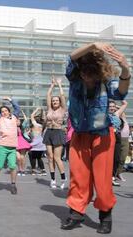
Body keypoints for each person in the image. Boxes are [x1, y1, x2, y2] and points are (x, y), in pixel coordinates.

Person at [61, 42, 130, 234]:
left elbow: (121, 91)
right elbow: (71, 57)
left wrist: (125, 68)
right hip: (80, 135)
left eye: (90, 74)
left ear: (97, 72)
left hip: (102, 137)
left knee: (102, 179)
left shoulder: (107, 83)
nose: (85, 77)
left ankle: (105, 216)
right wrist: (93, 45)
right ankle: (76, 214)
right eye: (83, 72)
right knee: (79, 177)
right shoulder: (74, 80)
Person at [0, 97, 21, 194]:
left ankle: (13, 185)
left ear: (9, 111)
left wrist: (10, 99)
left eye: (5, 111)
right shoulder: (0, 119)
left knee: (12, 166)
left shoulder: (14, 117)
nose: (4, 112)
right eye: (2, 111)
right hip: (2, 146)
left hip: (12, 148)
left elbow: (17, 108)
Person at [44, 77, 67, 189]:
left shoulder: (62, 109)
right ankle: (53, 179)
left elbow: (62, 97)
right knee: (50, 157)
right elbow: (48, 95)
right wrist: (52, 85)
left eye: (56, 100)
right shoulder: (49, 109)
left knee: (57, 158)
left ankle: (63, 178)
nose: (54, 102)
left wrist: (59, 85)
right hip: (49, 132)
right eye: (53, 101)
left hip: (58, 133)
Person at [108, 100, 128, 186]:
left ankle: (112, 177)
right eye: (110, 106)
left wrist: (118, 96)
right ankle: (106, 177)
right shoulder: (105, 115)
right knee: (108, 158)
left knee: (116, 158)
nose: (112, 108)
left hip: (117, 136)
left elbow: (125, 104)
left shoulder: (117, 114)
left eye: (113, 106)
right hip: (107, 137)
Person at [28, 108, 47, 175]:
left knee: (33, 157)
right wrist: (43, 111)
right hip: (41, 144)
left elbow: (31, 115)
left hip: (35, 143)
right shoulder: (43, 126)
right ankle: (43, 170)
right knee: (39, 158)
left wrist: (37, 109)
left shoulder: (35, 125)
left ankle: (33, 170)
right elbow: (44, 118)